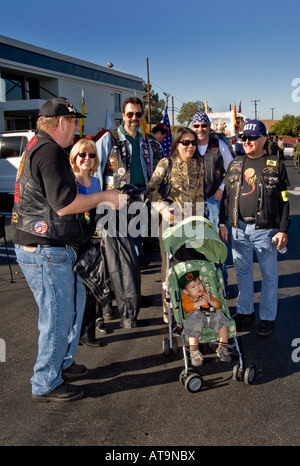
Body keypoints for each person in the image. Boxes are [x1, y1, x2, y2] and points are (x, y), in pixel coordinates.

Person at [12, 97, 127, 402]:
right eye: (74, 122)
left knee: (72, 307)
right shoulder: (49, 151)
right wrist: (106, 197)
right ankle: (46, 381)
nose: (77, 128)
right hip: (46, 250)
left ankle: (61, 364)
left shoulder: (40, 145)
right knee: (57, 316)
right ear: (61, 122)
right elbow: (64, 205)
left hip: (50, 247)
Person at [219, 119, 290, 336]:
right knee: (242, 272)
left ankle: (267, 317)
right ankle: (245, 310)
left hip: (265, 230)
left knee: (269, 275)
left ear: (264, 139)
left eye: (251, 138)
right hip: (238, 229)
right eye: (244, 138)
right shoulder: (236, 163)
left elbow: (284, 200)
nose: (246, 141)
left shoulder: (275, 164)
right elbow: (227, 197)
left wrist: (283, 229)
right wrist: (223, 222)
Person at [96, 96, 163, 264]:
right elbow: (95, 171)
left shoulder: (149, 142)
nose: (134, 118)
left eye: (138, 114)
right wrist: (97, 199)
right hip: (115, 198)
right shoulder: (108, 139)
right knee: (117, 244)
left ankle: (131, 277)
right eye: (130, 114)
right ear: (123, 115)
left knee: (135, 241)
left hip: (141, 197)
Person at [147, 127, 204, 323]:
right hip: (170, 223)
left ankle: (190, 306)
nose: (190, 146)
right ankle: (169, 309)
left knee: (191, 267)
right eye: (185, 142)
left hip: (192, 224)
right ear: (177, 144)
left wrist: (200, 222)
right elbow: (150, 189)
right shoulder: (167, 163)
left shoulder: (198, 165)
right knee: (170, 268)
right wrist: (162, 208)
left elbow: (200, 196)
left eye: (193, 143)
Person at [69, 138, 110, 346]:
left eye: (91, 155)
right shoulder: (71, 181)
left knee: (92, 287)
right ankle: (78, 335)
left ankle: (88, 334)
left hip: (93, 241)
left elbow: (99, 212)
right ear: (74, 157)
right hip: (75, 243)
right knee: (78, 291)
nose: (87, 158)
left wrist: (100, 236)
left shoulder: (95, 182)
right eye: (82, 154)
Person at [191, 112, 233, 296]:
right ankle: (203, 286)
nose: (200, 129)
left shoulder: (219, 144)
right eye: (196, 126)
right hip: (193, 202)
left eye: (204, 125)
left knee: (215, 242)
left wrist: (222, 188)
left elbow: (232, 169)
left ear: (209, 127)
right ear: (192, 127)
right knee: (196, 242)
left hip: (214, 200)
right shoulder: (188, 144)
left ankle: (221, 284)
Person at [180, 271, 231, 365]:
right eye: (193, 287)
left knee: (222, 319)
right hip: (196, 317)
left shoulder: (206, 293)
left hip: (211, 316)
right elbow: (186, 307)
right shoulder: (187, 297)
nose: (198, 287)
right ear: (186, 291)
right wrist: (199, 303)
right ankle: (194, 351)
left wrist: (211, 301)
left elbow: (218, 305)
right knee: (193, 323)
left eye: (199, 283)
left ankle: (223, 348)